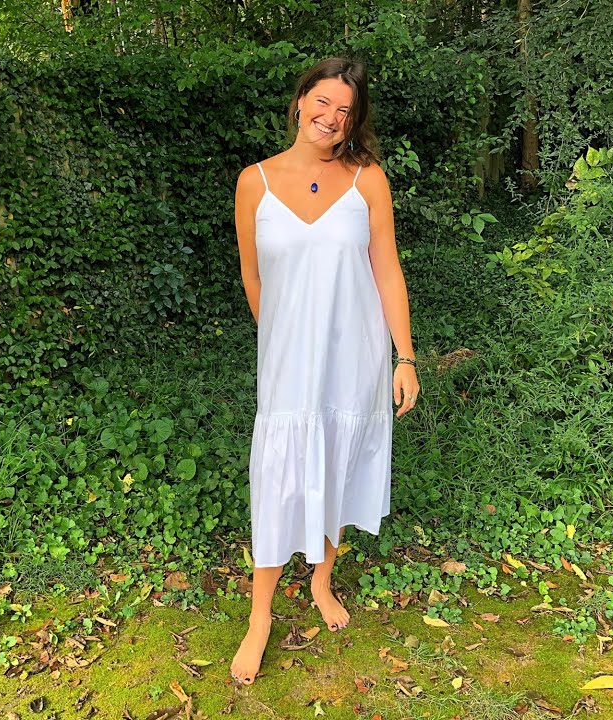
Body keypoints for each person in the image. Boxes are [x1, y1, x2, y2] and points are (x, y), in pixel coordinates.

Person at [229, 56, 419, 687]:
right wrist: (285, 338)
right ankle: (259, 618)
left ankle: (320, 580)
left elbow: (387, 270)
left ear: (353, 122)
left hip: (355, 357)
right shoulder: (254, 182)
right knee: (278, 477)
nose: (331, 117)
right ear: (300, 100)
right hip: (288, 364)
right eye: (323, 102)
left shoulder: (368, 180)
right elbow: (253, 279)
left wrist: (404, 355)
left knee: (336, 462)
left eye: (345, 111)